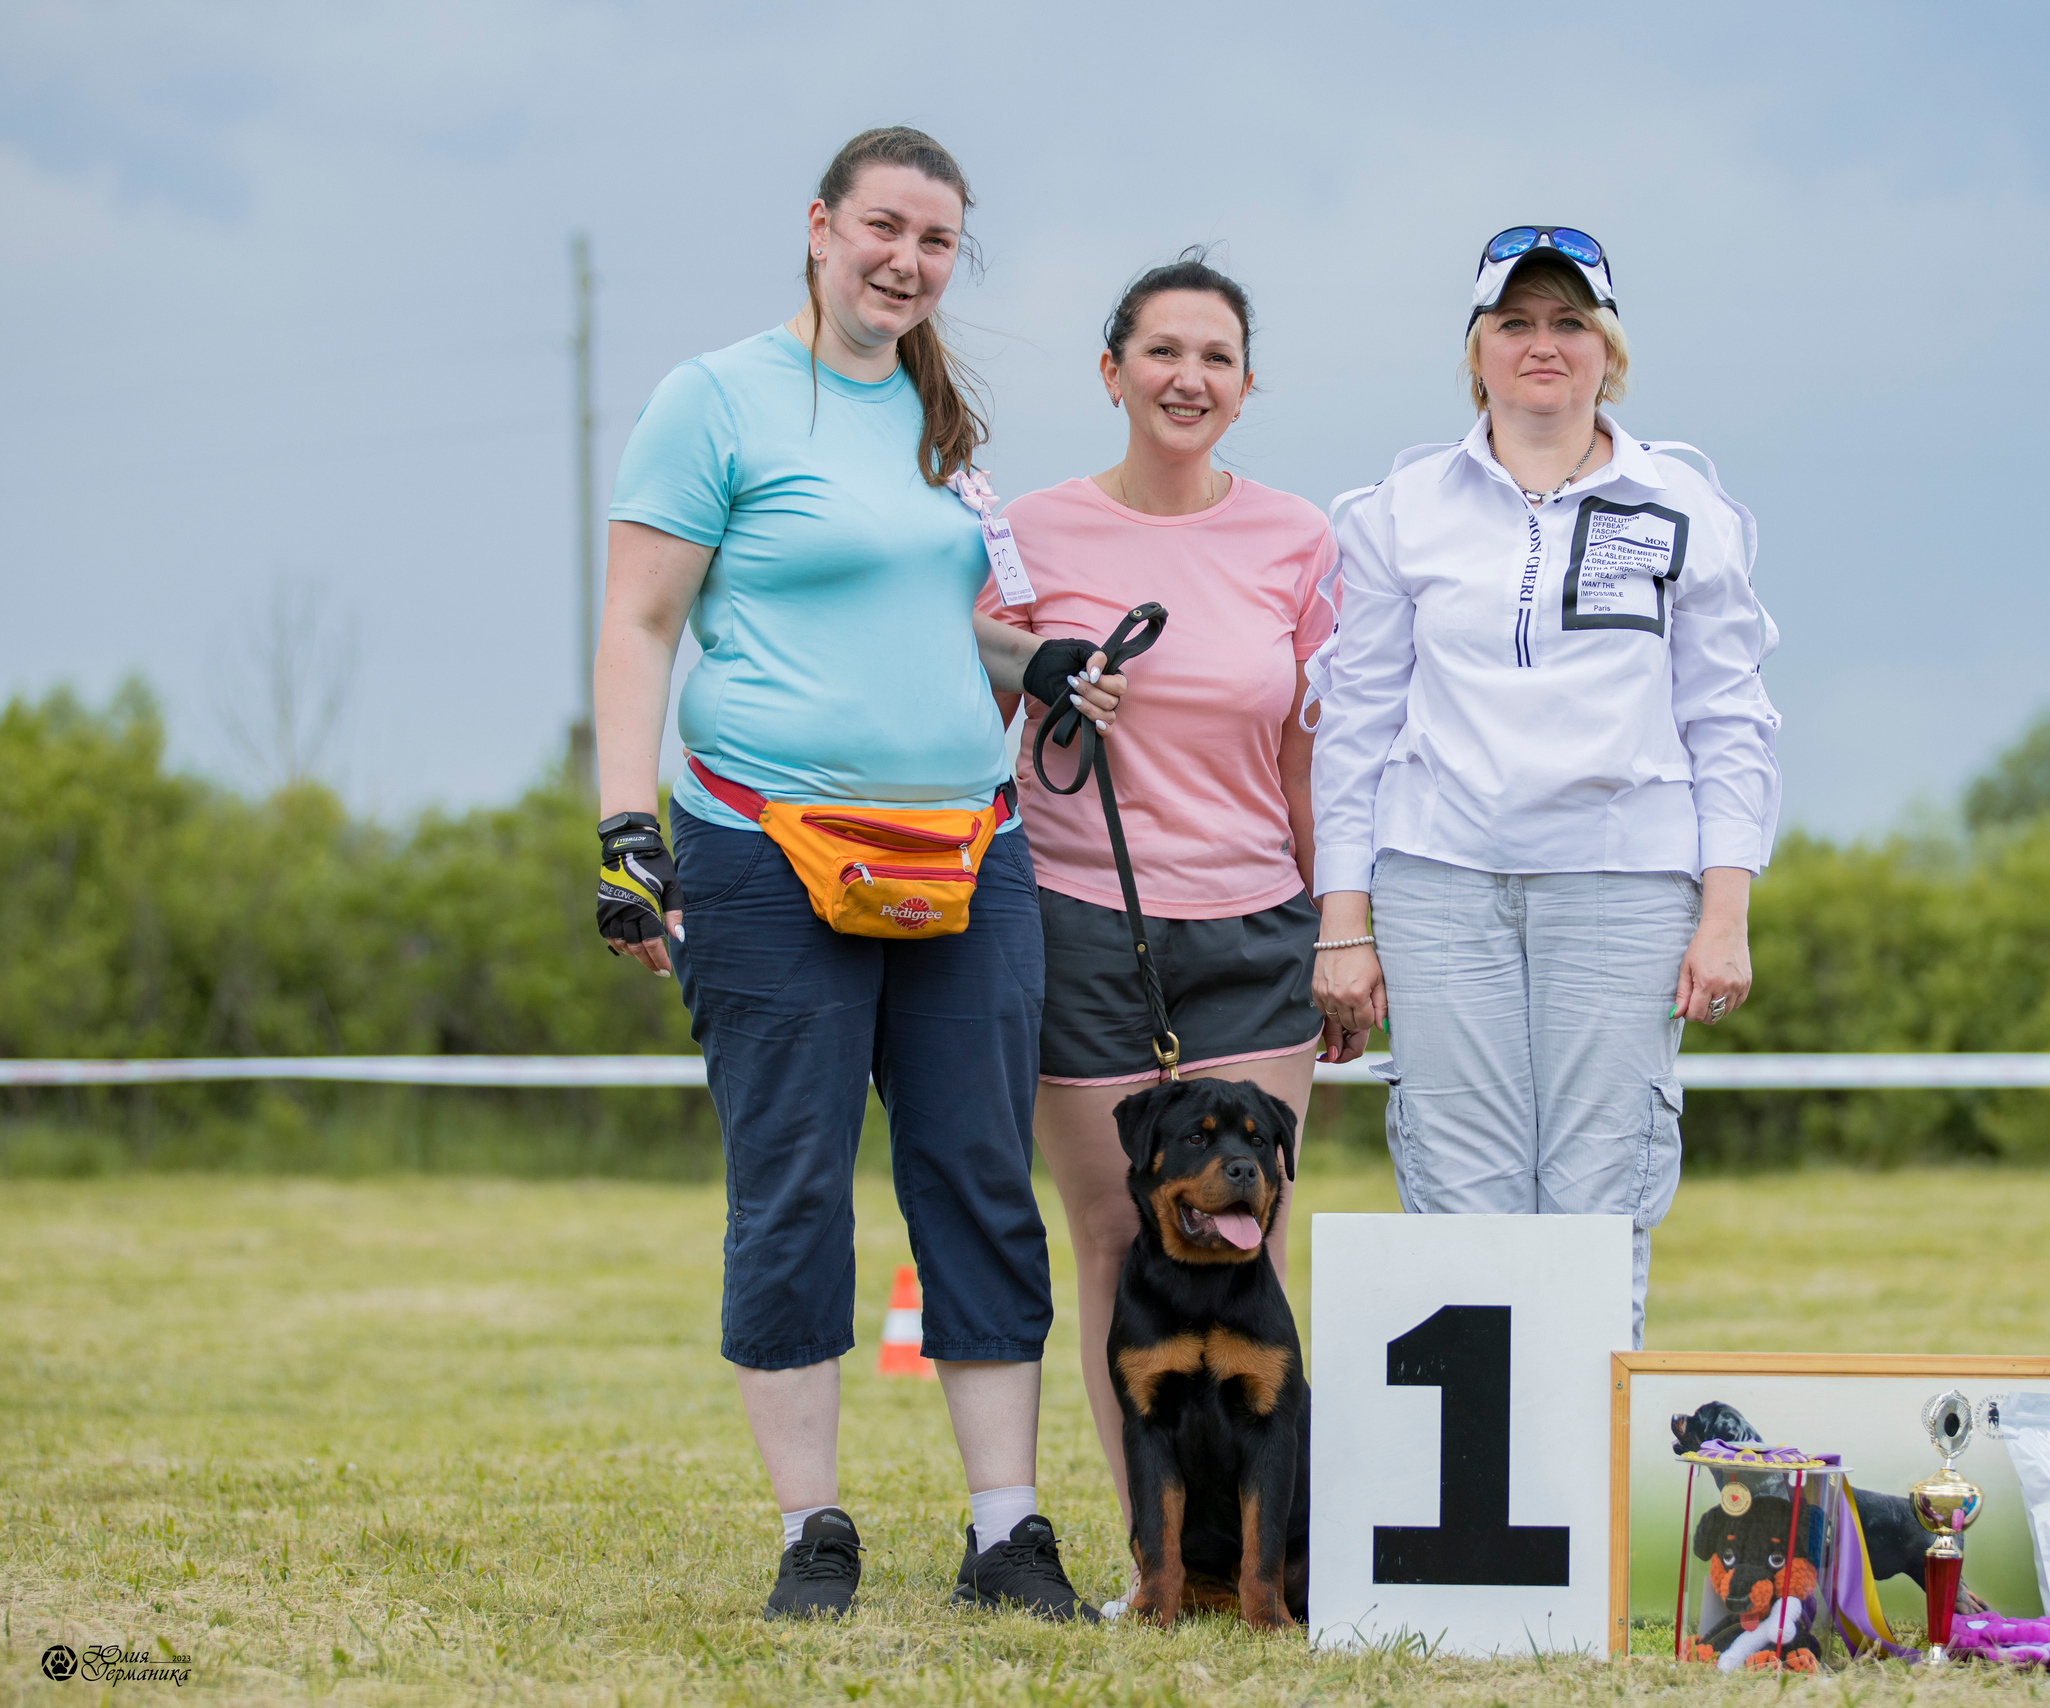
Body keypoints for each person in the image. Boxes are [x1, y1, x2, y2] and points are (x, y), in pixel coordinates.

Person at [589, 125, 1126, 1622]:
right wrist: (625, 827)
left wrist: (1034, 661)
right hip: (767, 849)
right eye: (884, 227)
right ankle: (812, 1529)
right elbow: (639, 622)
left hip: (968, 849)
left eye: (936, 240)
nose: (907, 260)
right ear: (820, 226)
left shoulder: (943, 422)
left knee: (979, 1177)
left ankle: (1006, 1532)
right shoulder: (714, 400)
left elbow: (926, 617)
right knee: (792, 1185)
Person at [1307, 226, 1782, 1347]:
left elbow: (1729, 718)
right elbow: (1355, 724)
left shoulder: (1682, 503)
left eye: (1570, 321)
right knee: (1457, 1192)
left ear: (1608, 351)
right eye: (1514, 322)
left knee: (1599, 1198)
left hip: (1625, 886)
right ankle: (1480, 1463)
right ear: (1475, 352)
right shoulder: (1399, 507)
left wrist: (1725, 915)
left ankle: (1585, 1454)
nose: (1543, 344)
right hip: (1438, 885)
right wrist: (1344, 923)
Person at [976, 250, 1345, 1527]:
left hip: (1255, 929)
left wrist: (1341, 933)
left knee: (1251, 1234)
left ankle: (1259, 1551)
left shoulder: (1298, 538)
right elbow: (967, 680)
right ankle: (1155, 1557)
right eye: (1163, 352)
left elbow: (1307, 756)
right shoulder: (1031, 531)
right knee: (1116, 1238)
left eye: (1216, 357)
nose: (1189, 377)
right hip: (1080, 925)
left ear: (1245, 385)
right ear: (1112, 372)